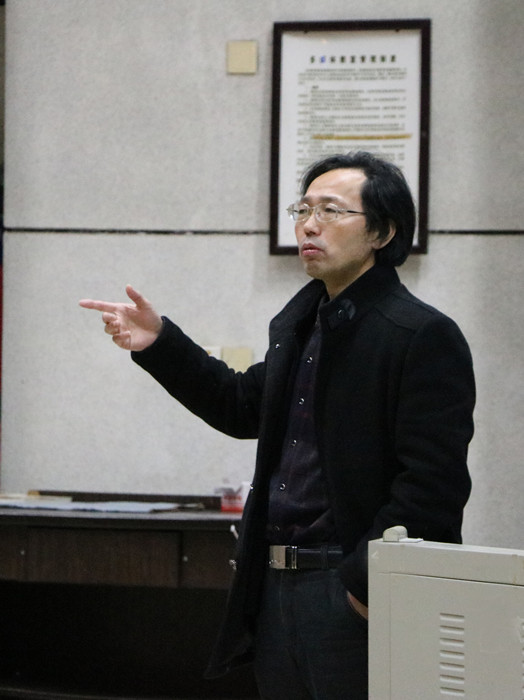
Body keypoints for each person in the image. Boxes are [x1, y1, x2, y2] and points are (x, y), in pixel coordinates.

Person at [79, 151, 475, 699]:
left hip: (352, 589)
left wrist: (364, 586)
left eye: (331, 211)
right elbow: (241, 405)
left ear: (381, 232)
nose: (309, 225)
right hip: (276, 584)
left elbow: (433, 484)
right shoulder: (303, 325)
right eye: (303, 209)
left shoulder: (419, 334)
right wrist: (160, 343)